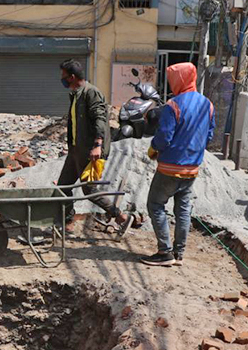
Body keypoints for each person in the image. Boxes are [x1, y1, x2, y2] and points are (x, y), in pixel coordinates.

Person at [141, 62, 214, 267]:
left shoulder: (173, 105)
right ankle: (179, 253)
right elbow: (209, 135)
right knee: (183, 210)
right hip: (192, 168)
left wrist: (154, 148)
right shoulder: (207, 105)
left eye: (173, 79)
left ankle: (165, 252)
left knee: (155, 204)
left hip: (170, 167)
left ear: (179, 80)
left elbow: (164, 137)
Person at [56, 59, 133, 235]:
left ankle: (120, 216)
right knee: (63, 187)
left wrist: (97, 145)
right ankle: (68, 222)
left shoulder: (92, 93)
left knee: (89, 189)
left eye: (64, 77)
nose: (62, 80)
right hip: (76, 149)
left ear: (72, 77)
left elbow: (100, 119)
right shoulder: (76, 94)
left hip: (90, 151)